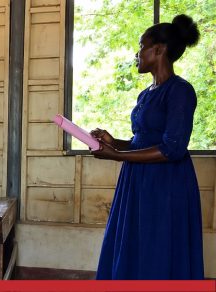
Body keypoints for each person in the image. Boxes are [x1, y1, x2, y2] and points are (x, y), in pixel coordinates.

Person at [89, 14, 203, 280]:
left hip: (166, 183)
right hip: (137, 179)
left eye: (141, 46)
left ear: (158, 50)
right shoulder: (146, 93)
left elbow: (172, 148)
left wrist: (117, 155)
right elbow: (142, 141)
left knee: (158, 245)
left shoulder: (181, 91)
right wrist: (113, 142)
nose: (137, 53)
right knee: (134, 242)